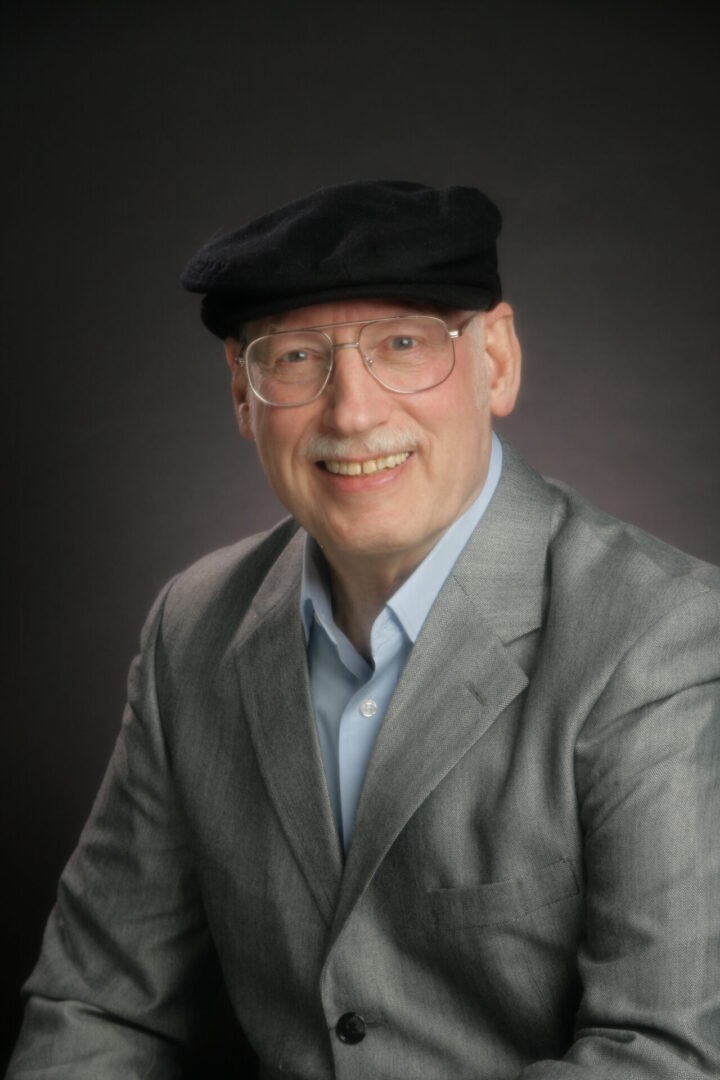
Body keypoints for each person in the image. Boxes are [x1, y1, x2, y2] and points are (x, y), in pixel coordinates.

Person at [7, 180, 720, 1079]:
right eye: (297, 358)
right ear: (241, 393)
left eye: (404, 344)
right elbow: (96, 1006)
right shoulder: (192, 630)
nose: (352, 413)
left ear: (494, 360)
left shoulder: (660, 637)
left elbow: (667, 1056)